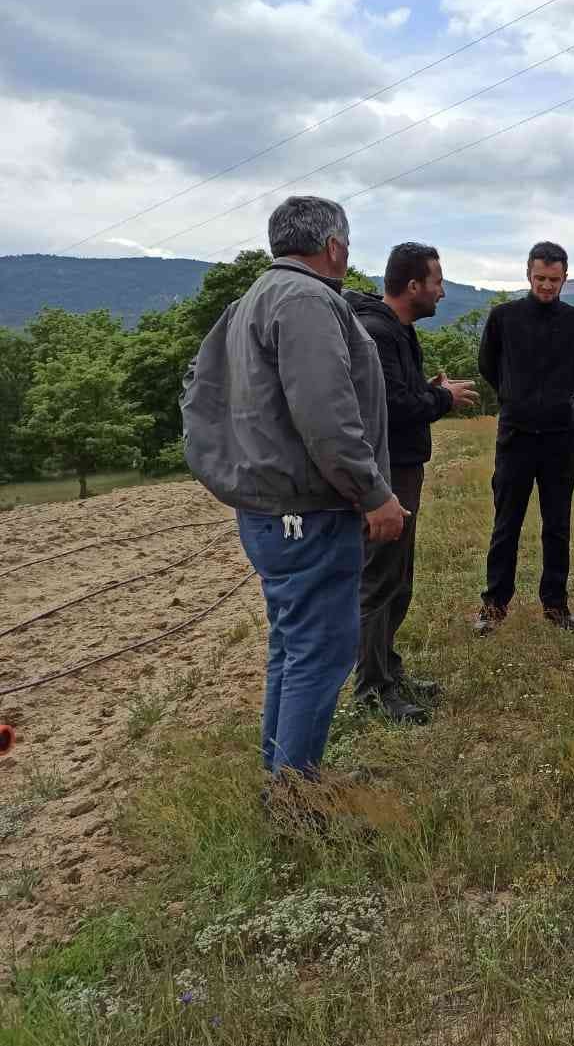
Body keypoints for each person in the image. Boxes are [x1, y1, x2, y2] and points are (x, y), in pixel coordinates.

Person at [181, 195, 407, 792]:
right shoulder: (306, 300)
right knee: (321, 652)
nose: (349, 253)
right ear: (333, 246)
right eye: (349, 245)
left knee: (293, 645)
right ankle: (297, 795)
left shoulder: (253, 296)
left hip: (272, 508)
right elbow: (327, 417)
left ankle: (284, 778)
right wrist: (373, 493)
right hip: (307, 512)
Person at [345, 243, 478, 724]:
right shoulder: (379, 332)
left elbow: (400, 393)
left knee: (398, 579)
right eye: (437, 282)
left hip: (402, 468)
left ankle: (388, 672)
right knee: (380, 580)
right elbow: (392, 408)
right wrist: (441, 398)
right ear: (414, 285)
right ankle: (371, 691)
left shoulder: (397, 331)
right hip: (388, 473)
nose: (442, 292)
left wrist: (428, 390)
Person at [474, 242, 574, 635]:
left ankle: (556, 605)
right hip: (516, 436)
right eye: (540, 278)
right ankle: (493, 605)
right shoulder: (503, 317)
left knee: (557, 524)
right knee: (506, 522)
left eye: (554, 280)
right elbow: (488, 365)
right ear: (528, 274)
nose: (547, 286)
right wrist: (515, 397)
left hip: (560, 437)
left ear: (565, 277)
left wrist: (560, 404)